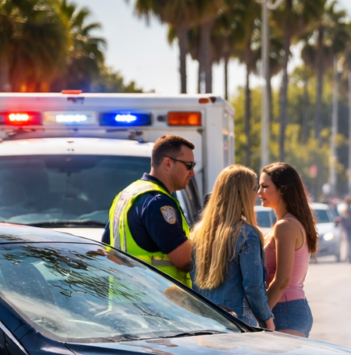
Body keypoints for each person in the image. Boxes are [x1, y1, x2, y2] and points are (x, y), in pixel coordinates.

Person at [190, 165, 274, 330]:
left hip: (204, 322)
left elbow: (195, 282)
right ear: (241, 193)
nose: (257, 193)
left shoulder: (199, 232)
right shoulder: (247, 234)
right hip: (239, 322)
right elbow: (254, 288)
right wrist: (267, 319)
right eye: (253, 188)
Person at [104, 135, 196, 284]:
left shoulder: (126, 195)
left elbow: (107, 249)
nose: (192, 172)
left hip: (125, 301)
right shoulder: (158, 202)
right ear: (167, 163)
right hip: (158, 302)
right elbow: (185, 260)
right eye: (189, 165)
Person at [259, 162, 317, 336]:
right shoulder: (287, 223)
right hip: (288, 309)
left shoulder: (286, 226)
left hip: (286, 311)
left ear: (282, 189)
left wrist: (260, 314)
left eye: (264, 186)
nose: (259, 192)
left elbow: (283, 280)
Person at [339, 195, 351, 264]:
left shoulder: (345, 208)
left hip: (347, 226)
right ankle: (349, 257)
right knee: (350, 242)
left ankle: (349, 257)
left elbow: (342, 217)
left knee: (348, 241)